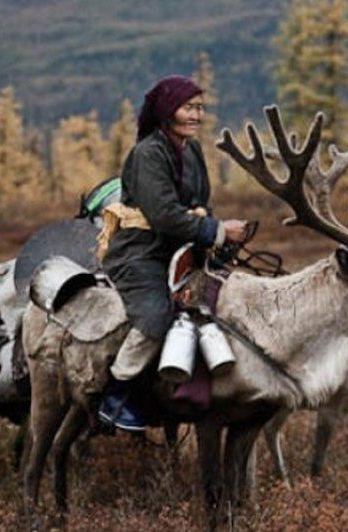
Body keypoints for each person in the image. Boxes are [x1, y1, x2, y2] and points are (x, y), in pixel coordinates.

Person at [97, 75, 247, 432]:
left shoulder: (191, 150)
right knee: (156, 315)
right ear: (167, 110)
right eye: (188, 108)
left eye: (200, 108)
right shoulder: (148, 153)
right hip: (141, 253)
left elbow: (200, 202)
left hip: (182, 250)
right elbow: (163, 215)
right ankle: (115, 395)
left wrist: (214, 239)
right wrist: (218, 230)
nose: (196, 115)